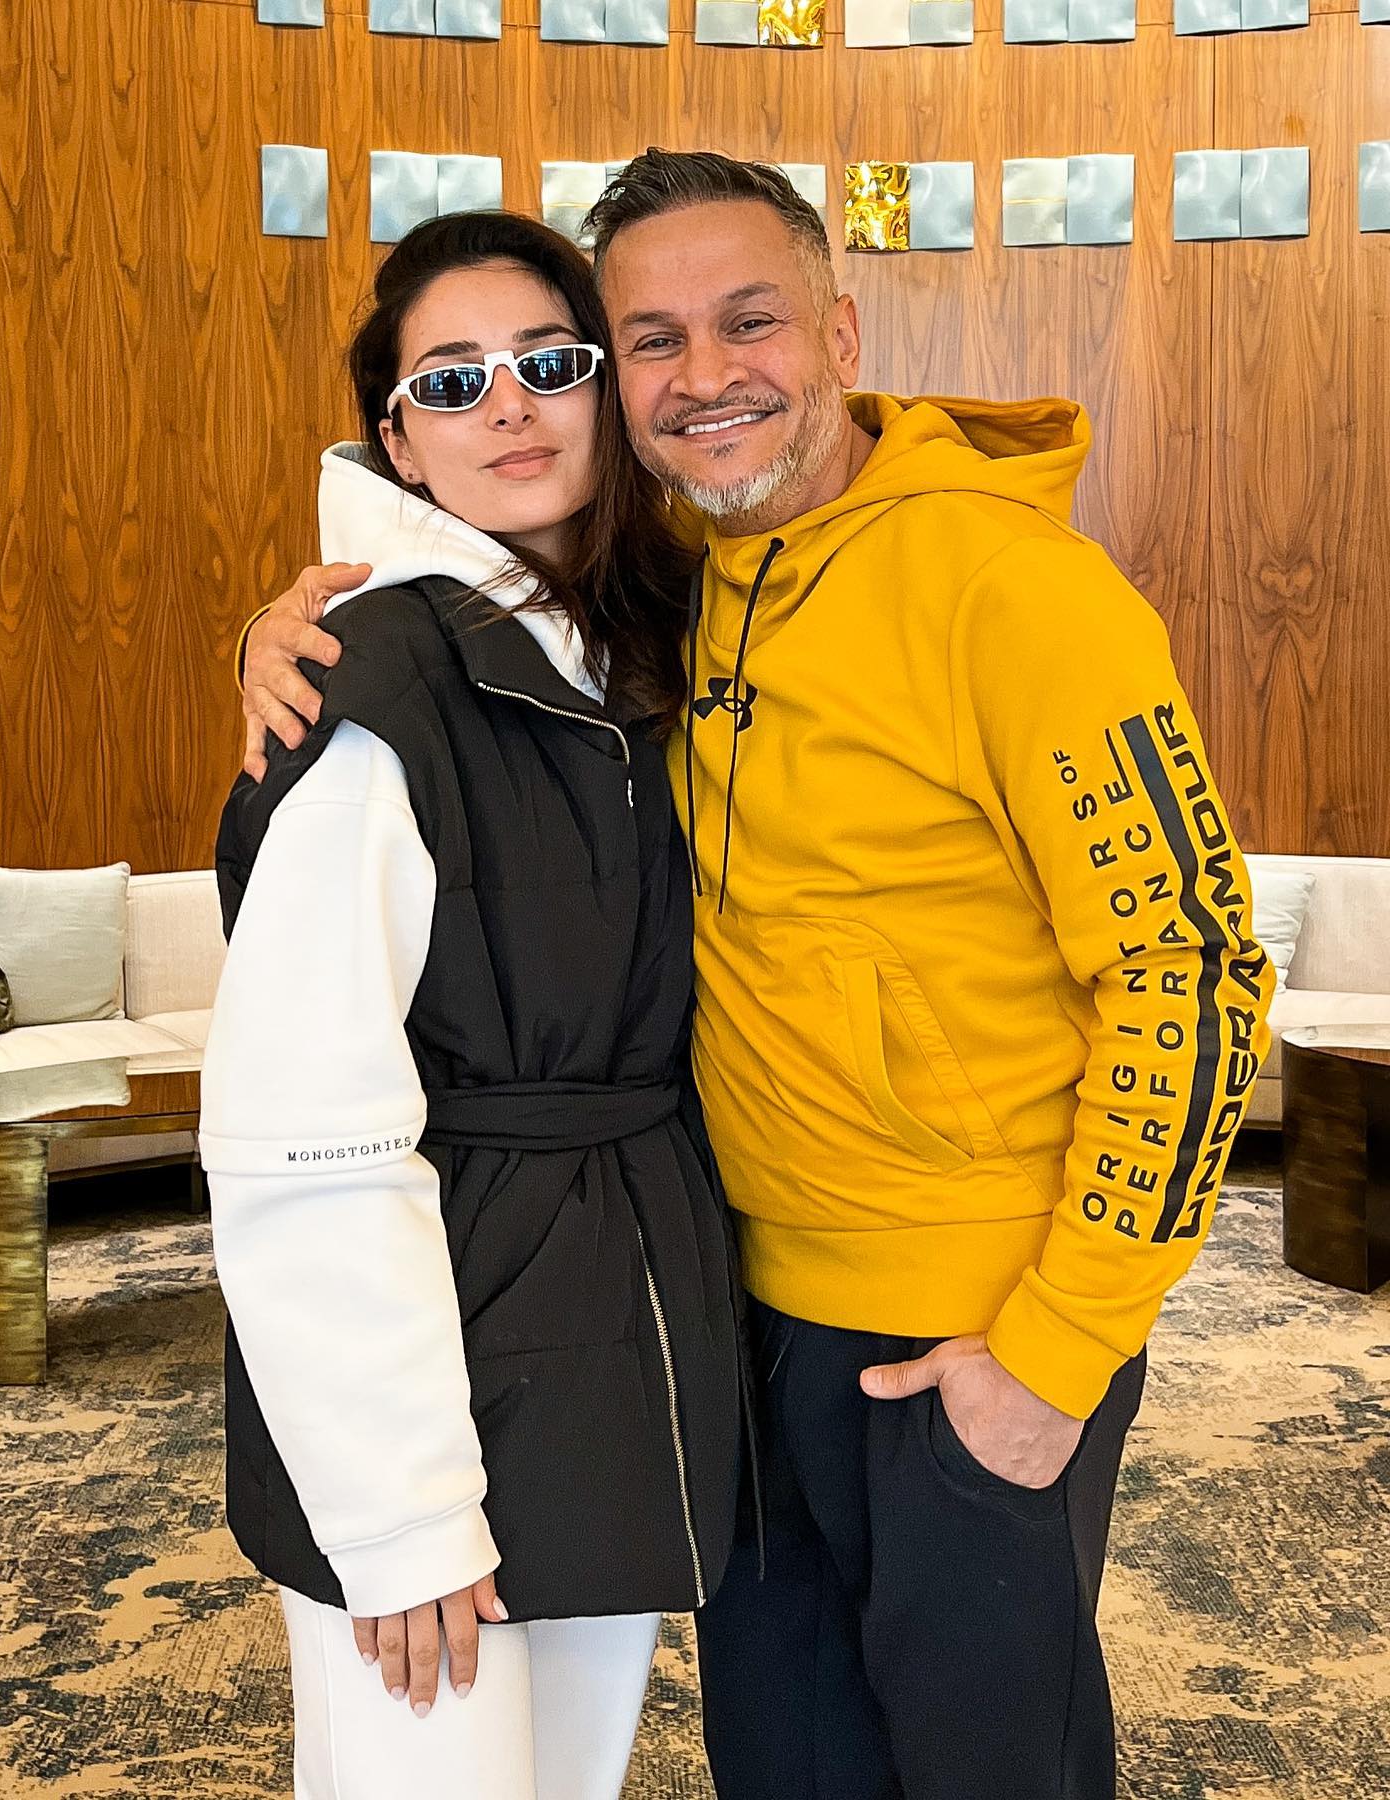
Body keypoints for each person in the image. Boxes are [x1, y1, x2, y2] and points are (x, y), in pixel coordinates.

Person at [241, 152, 1274, 1800]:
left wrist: (1062, 1347)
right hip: (740, 1315)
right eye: (651, 339)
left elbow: (1197, 973)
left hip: (969, 1326)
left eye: (751, 320)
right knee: (791, 1762)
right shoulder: (671, 583)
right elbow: (458, 582)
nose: (705, 374)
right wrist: (303, 620)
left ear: (841, 331)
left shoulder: (1019, 590)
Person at [200, 208, 742, 1800]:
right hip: (426, 1364)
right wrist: (400, 1510)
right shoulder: (368, 687)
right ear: (397, 442)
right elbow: (302, 1134)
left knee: (566, 1776)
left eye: (550, 363)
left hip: (607, 1337)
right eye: (451, 381)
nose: (509, 406)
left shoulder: (643, 643)